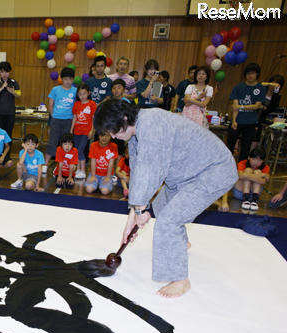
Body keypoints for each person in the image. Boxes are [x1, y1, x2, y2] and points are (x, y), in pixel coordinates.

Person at [93, 99, 238, 298]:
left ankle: (180, 279)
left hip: (213, 170)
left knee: (169, 220)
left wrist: (140, 210)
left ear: (124, 118)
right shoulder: (137, 131)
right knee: (160, 206)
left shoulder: (152, 123)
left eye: (112, 130)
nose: (112, 136)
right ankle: (179, 243)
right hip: (186, 172)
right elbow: (139, 171)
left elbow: (152, 169)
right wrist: (133, 215)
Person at [227, 63, 266, 162]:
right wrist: (234, 120)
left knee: (245, 147)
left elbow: (257, 106)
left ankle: (241, 166)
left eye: (252, 73)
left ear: (257, 74)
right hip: (237, 120)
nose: (250, 75)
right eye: (248, 73)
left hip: (251, 122)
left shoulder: (260, 88)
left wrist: (241, 106)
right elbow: (235, 106)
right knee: (230, 145)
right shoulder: (238, 87)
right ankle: (226, 164)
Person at [45, 67, 77, 170]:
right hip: (56, 120)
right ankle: (45, 164)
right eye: (66, 79)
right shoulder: (55, 89)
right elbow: (50, 105)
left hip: (68, 120)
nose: (68, 81)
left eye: (70, 79)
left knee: (66, 144)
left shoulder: (75, 91)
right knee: (52, 142)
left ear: (73, 79)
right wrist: (54, 116)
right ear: (62, 79)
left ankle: (64, 165)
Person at [220, 147, 270, 212]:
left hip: (253, 194)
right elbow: (240, 176)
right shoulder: (242, 163)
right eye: (254, 159)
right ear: (249, 158)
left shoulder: (265, 167)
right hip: (239, 193)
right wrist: (261, 175)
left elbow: (263, 182)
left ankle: (254, 200)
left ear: (263, 161)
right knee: (248, 170)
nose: (256, 162)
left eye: (259, 160)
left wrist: (246, 175)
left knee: (257, 171)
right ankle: (246, 199)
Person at [71, 83, 96, 180]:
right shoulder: (77, 104)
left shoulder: (92, 104)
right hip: (77, 131)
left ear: (88, 93)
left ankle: (83, 170)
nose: (82, 96)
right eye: (80, 94)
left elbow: (93, 119)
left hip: (86, 132)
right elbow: (75, 118)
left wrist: (91, 130)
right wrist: (71, 129)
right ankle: (78, 169)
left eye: (84, 94)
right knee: (76, 150)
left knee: (80, 150)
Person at [0, 61, 20, 141]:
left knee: (8, 134)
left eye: (7, 71)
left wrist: (12, 91)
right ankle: (0, 152)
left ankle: (7, 153)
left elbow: (19, 95)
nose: (5, 74)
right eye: (2, 72)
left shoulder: (13, 82)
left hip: (10, 113)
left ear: (10, 71)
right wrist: (2, 87)